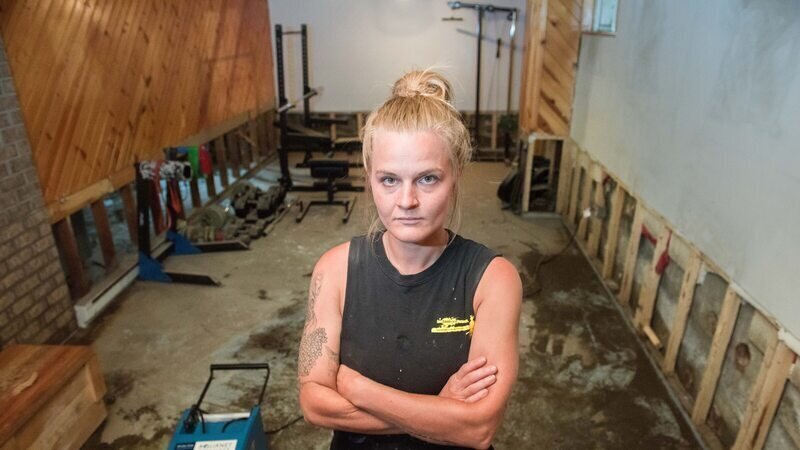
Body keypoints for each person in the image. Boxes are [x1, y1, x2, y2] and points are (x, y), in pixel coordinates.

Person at [297, 69, 522, 449]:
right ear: (370, 178)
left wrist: (360, 389)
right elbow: (314, 404)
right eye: (389, 180)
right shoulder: (334, 271)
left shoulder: (493, 280)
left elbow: (477, 429)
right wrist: (439, 410)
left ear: (456, 175)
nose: (406, 201)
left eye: (427, 178)